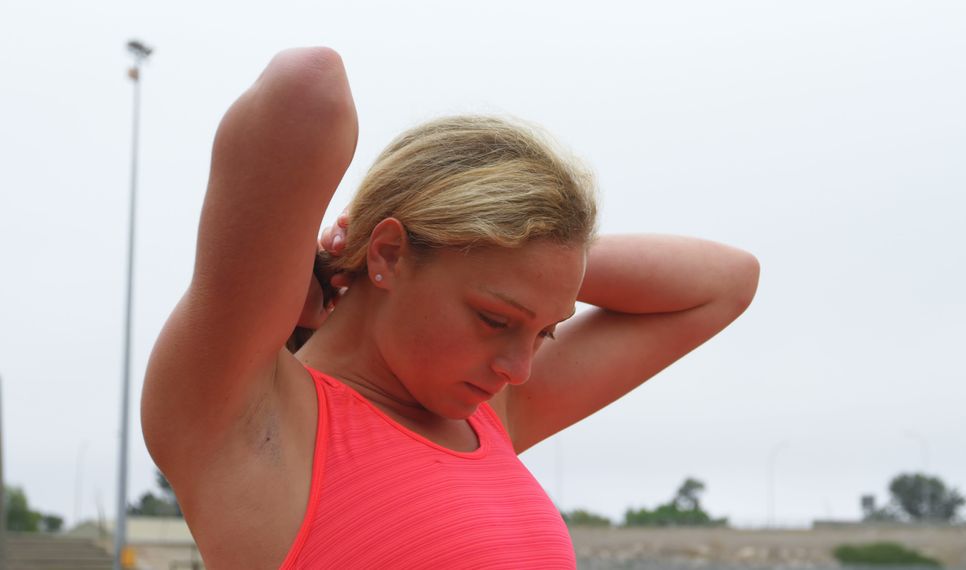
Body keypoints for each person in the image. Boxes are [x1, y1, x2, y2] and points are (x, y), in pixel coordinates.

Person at [141, 47, 760, 569]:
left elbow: (728, 280)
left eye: (544, 332)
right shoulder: (249, 417)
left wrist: (537, 260)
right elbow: (308, 87)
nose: (517, 368)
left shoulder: (492, 415)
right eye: (496, 319)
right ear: (388, 253)